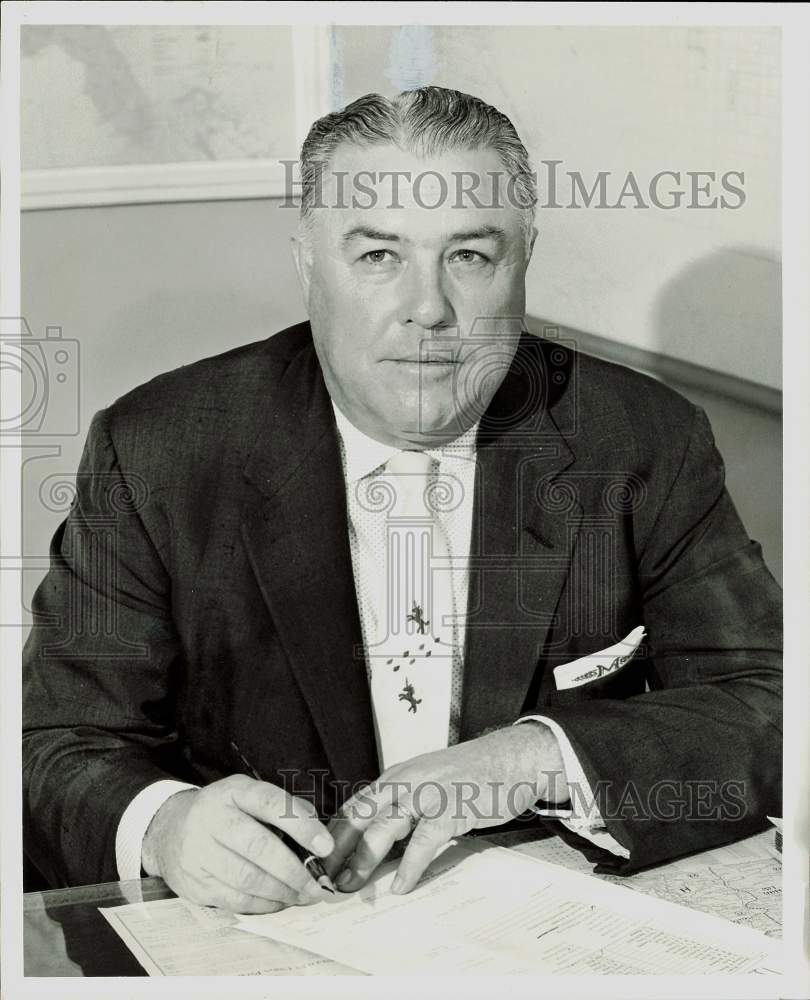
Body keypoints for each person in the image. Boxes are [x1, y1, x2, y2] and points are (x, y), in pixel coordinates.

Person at [22, 86, 782, 914]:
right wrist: (166, 825)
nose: (429, 310)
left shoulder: (640, 439)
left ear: (524, 258)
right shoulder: (159, 450)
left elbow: (774, 700)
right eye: (379, 256)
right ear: (308, 263)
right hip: (265, 935)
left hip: (541, 930)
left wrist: (535, 757)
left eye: (469, 257)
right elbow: (60, 740)